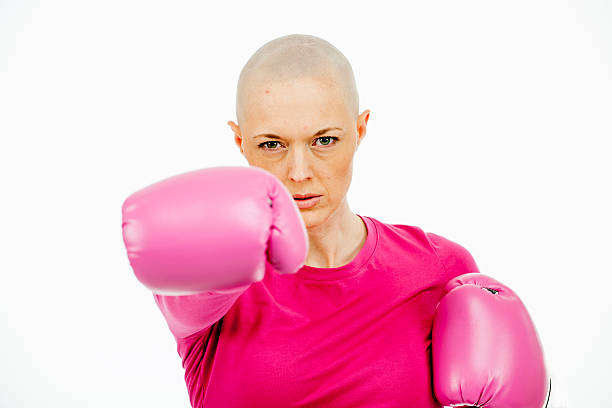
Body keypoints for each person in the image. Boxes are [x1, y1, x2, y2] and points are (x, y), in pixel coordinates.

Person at [121, 34, 549, 407]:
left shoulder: (440, 268)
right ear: (240, 141)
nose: (300, 171)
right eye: (272, 144)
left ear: (359, 131)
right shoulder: (213, 277)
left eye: (325, 140)